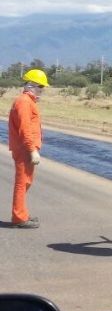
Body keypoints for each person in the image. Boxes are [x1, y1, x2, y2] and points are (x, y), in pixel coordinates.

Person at [7, 69, 49, 229]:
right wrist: (32, 150)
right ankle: (19, 217)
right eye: (40, 87)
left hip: (24, 147)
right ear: (31, 85)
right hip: (25, 148)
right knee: (22, 182)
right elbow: (25, 129)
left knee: (25, 182)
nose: (42, 91)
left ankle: (21, 213)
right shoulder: (24, 102)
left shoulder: (27, 101)